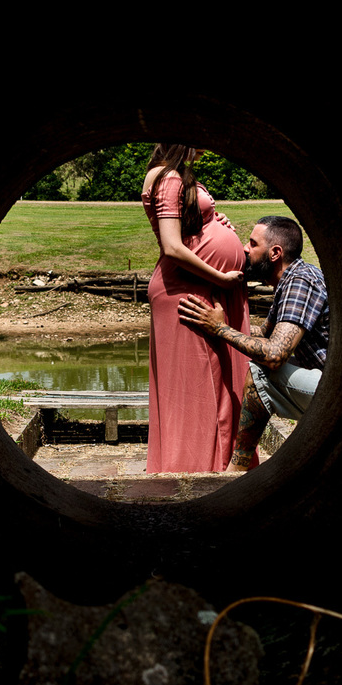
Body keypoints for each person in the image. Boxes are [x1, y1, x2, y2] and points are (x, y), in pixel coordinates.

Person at [177, 216, 328, 471]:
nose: (246, 249)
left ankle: (237, 471)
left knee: (261, 372)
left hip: (339, 393)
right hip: (326, 381)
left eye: (252, 243)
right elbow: (262, 334)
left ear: (275, 253)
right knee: (261, 365)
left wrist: (221, 329)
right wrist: (216, 324)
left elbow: (274, 354)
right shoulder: (288, 281)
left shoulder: (300, 281)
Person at [142, 143, 252, 472]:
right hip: (185, 291)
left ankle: (211, 468)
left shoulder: (175, 175)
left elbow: (185, 228)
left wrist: (210, 219)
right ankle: (194, 475)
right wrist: (221, 277)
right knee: (199, 392)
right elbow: (173, 247)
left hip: (198, 287)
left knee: (211, 388)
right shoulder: (169, 177)